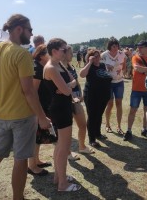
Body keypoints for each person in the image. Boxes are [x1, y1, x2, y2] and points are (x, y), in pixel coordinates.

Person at [0, 14, 51, 200]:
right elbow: (29, 92)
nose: (31, 34)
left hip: (1, 116)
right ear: (19, 29)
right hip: (22, 116)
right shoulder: (21, 53)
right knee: (20, 160)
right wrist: (41, 117)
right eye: (30, 30)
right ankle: (18, 198)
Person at [43, 38, 81, 192]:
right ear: (54, 51)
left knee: (61, 145)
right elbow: (67, 90)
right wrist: (66, 87)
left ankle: (58, 177)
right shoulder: (51, 67)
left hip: (63, 106)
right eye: (64, 49)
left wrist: (67, 87)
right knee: (64, 147)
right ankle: (62, 184)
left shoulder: (58, 64)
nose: (66, 52)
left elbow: (74, 81)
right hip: (59, 109)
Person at [27, 44, 56, 176]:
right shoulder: (38, 68)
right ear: (42, 55)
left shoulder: (41, 67)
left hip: (43, 105)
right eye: (49, 53)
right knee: (35, 136)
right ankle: (32, 166)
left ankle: (36, 161)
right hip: (39, 107)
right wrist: (39, 113)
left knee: (38, 137)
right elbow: (33, 91)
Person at [62, 45, 95, 155]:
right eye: (70, 53)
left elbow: (76, 82)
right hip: (66, 98)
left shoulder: (71, 66)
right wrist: (73, 95)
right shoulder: (60, 68)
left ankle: (82, 146)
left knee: (82, 124)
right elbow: (63, 86)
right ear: (64, 53)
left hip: (76, 97)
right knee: (67, 128)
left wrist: (80, 95)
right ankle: (67, 152)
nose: (72, 55)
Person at [80, 49, 112, 148]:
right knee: (92, 116)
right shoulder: (89, 66)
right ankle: (91, 139)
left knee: (99, 114)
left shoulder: (102, 65)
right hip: (91, 95)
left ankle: (98, 133)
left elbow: (104, 76)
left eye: (98, 56)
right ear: (90, 58)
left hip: (103, 95)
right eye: (95, 56)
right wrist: (89, 62)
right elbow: (81, 75)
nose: (98, 58)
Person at [123, 40, 147, 141]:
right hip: (136, 89)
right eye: (138, 47)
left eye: (141, 47)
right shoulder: (135, 57)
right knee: (133, 110)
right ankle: (129, 131)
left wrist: (145, 69)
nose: (138, 49)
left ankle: (145, 129)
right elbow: (137, 68)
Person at [101, 37, 126, 134]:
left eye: (117, 46)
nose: (116, 48)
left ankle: (119, 126)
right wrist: (107, 67)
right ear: (110, 46)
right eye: (113, 46)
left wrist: (122, 72)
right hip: (108, 83)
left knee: (119, 103)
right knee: (110, 104)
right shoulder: (104, 55)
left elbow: (124, 65)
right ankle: (107, 125)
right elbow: (100, 68)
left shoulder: (121, 54)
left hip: (119, 82)